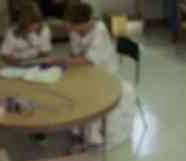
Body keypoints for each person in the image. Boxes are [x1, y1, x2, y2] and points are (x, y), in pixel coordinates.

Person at [51, 2, 136, 147]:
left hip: (105, 73)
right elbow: (75, 52)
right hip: (86, 70)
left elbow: (89, 60)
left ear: (83, 23)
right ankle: (79, 128)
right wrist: (68, 61)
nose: (67, 27)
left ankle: (92, 134)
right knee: (68, 89)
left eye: (70, 24)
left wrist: (64, 62)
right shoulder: (74, 31)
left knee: (88, 95)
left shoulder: (99, 31)